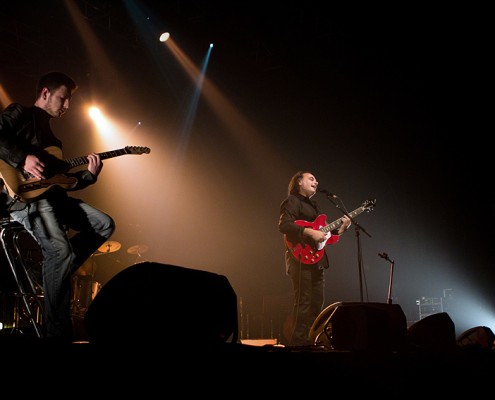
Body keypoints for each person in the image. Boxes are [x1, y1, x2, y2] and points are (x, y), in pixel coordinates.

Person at [0, 71, 115, 342]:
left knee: (104, 224)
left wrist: (89, 175)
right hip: (23, 198)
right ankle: (57, 336)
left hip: (53, 198)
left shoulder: (55, 143)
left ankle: (51, 272)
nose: (67, 106)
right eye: (63, 98)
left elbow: (64, 183)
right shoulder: (20, 113)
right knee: (60, 250)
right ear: (45, 94)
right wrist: (22, 159)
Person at [278, 170, 351, 346]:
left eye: (316, 179)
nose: (316, 182)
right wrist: (308, 231)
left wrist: (341, 228)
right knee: (303, 301)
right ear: (299, 183)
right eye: (311, 179)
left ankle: (311, 340)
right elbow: (284, 225)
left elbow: (325, 234)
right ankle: (298, 344)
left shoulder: (315, 205)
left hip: (317, 259)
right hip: (299, 258)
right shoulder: (292, 201)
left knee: (317, 302)